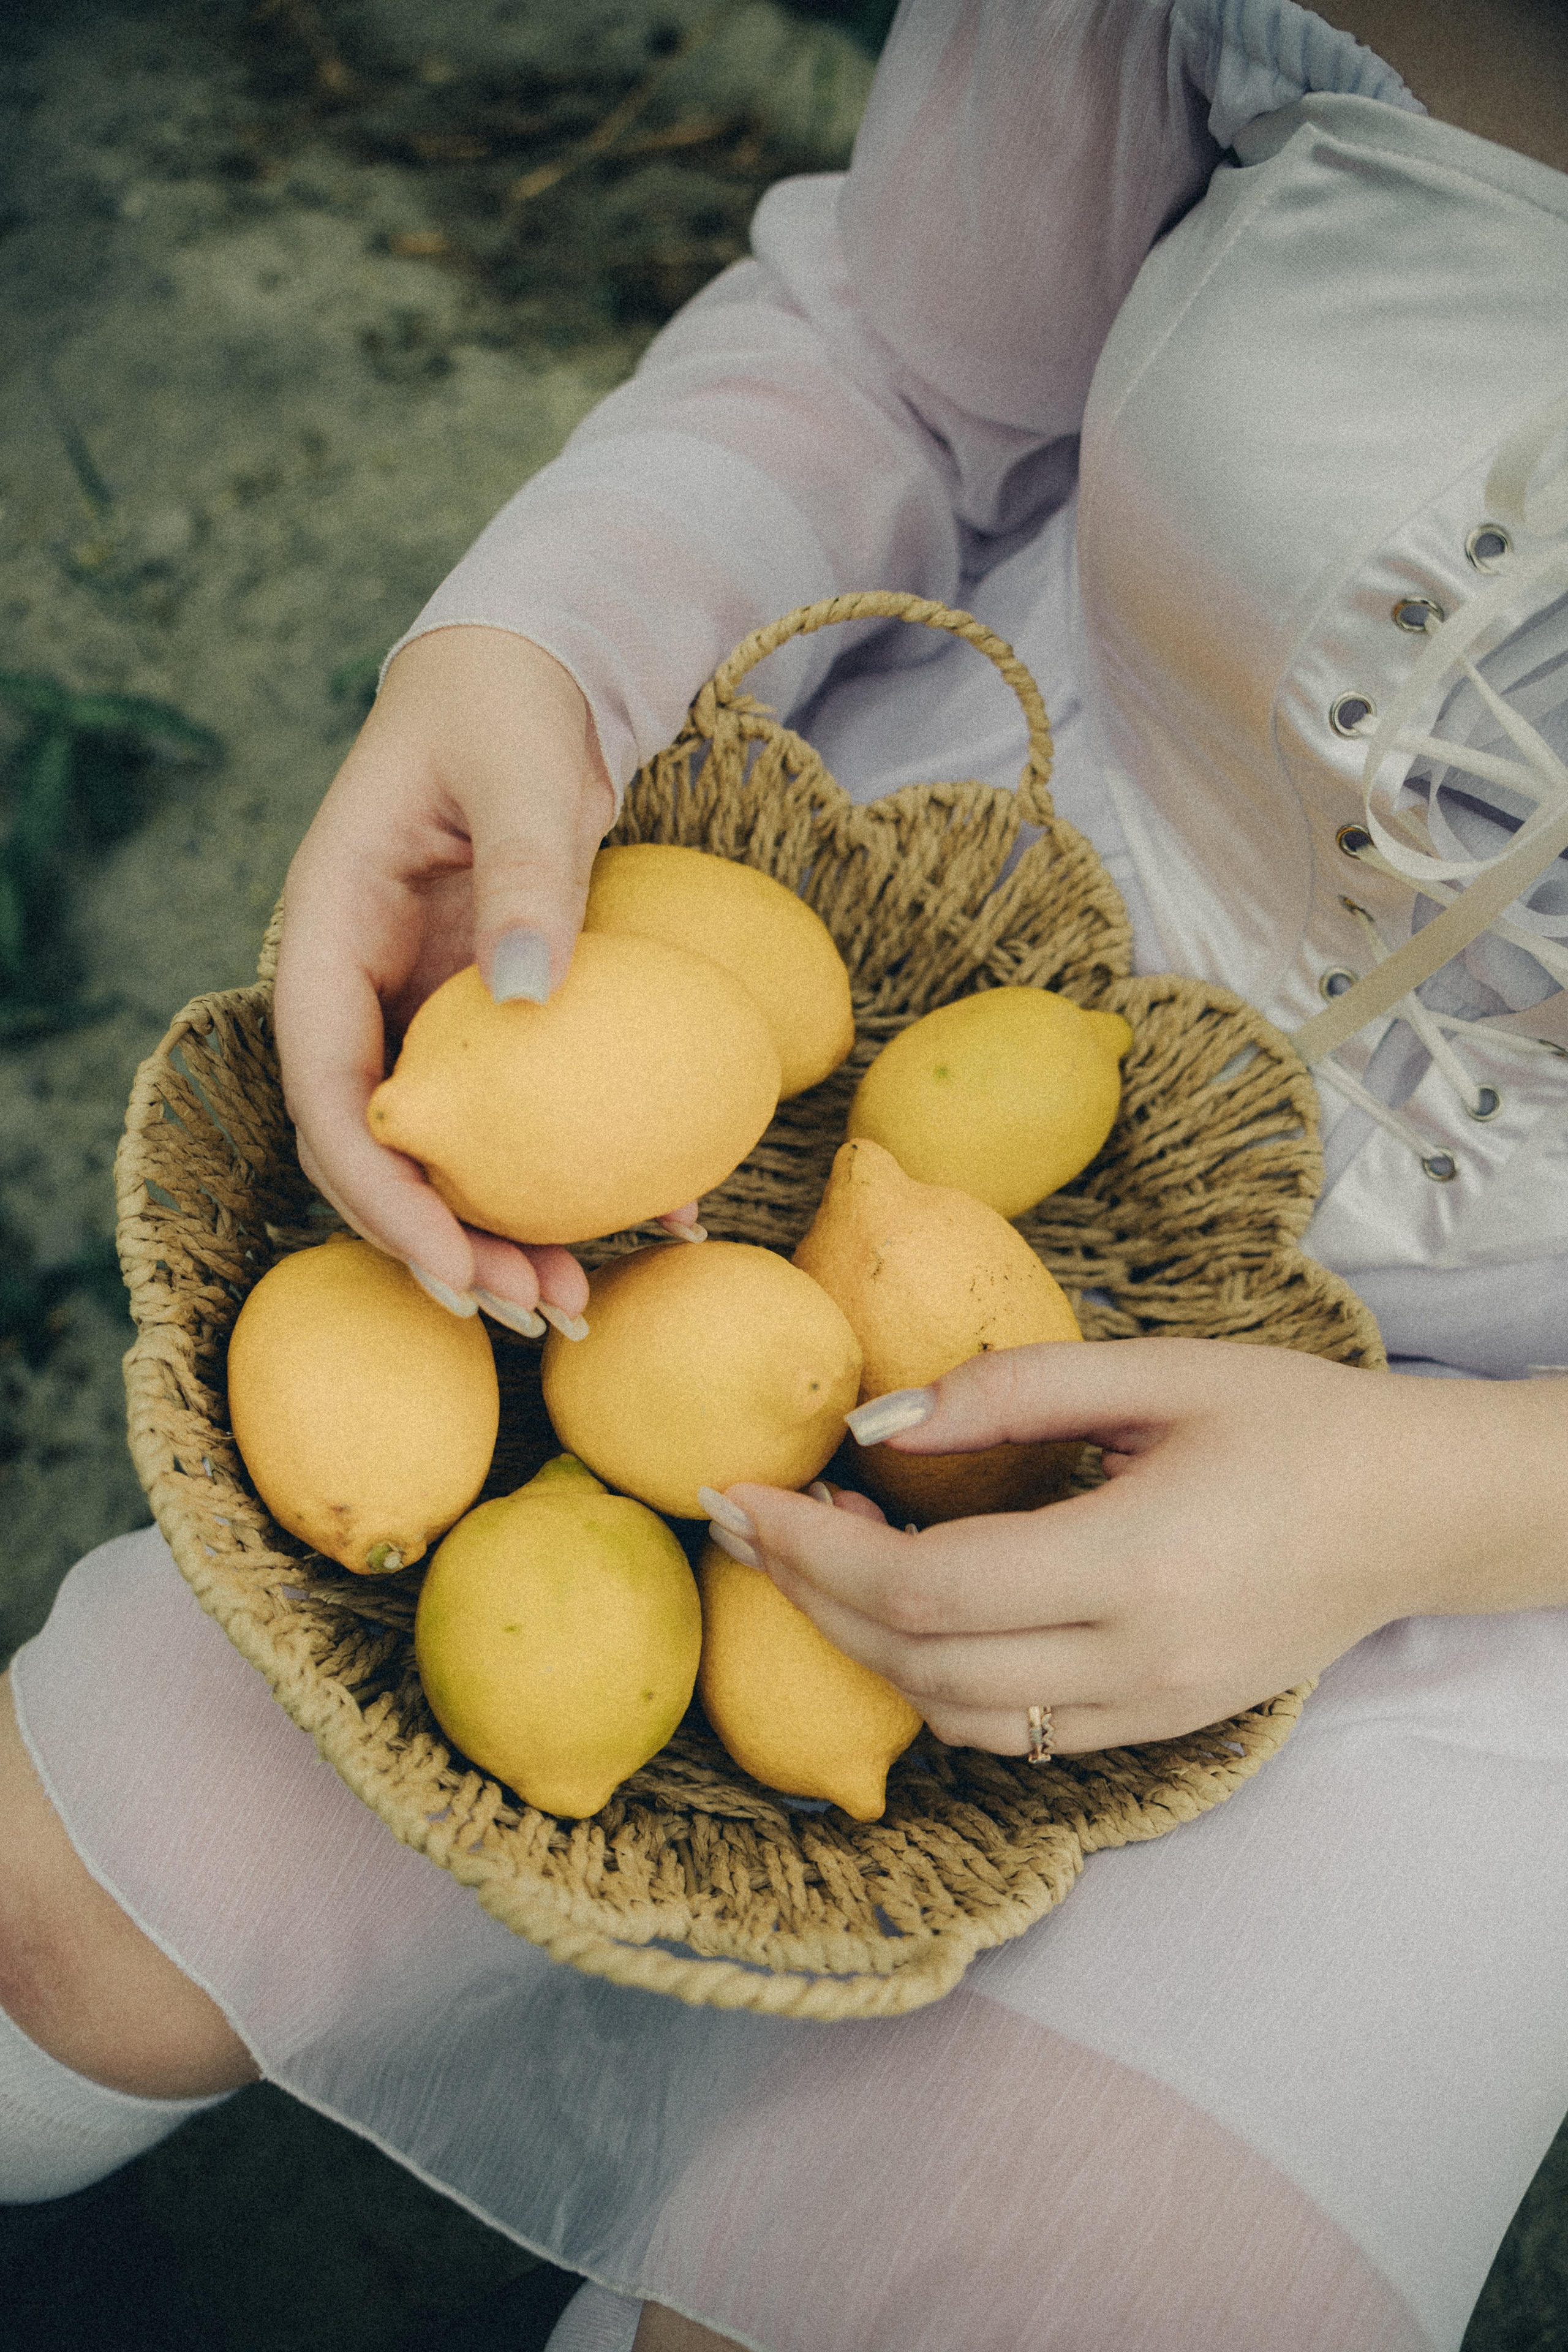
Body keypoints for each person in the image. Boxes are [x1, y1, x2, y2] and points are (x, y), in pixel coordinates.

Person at [5, 0, 1568, 2344]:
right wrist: (530, 648)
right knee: (67, 1934)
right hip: (758, 1142)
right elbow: (910, 354)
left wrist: (1447, 1510)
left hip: (1501, 1549)